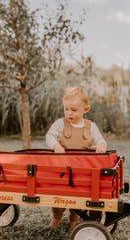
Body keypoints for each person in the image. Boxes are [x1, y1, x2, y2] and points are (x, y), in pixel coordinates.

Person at [46, 87, 107, 229]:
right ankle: (56, 217)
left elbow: (100, 139)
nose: (69, 113)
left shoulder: (90, 126)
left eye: (73, 110)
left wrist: (102, 145)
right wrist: (56, 146)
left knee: (78, 195)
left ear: (85, 109)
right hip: (62, 169)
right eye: (66, 109)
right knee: (59, 195)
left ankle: (75, 218)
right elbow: (49, 136)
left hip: (82, 169)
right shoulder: (60, 124)